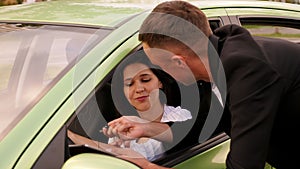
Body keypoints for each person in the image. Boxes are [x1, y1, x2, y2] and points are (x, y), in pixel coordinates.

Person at [105, 1, 300, 169]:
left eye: (160, 66)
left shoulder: (250, 74)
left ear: (179, 62)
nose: (163, 74)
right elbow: (199, 128)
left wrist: (148, 166)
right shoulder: (217, 60)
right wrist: (146, 128)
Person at [69, 50, 192, 162]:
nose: (138, 89)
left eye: (145, 80)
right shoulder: (121, 128)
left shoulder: (180, 118)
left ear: (160, 82)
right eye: (129, 84)